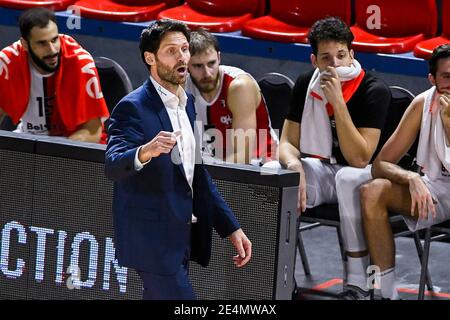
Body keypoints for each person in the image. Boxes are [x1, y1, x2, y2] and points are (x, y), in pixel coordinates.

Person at [105, 19, 252, 300]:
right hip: (150, 240)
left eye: (184, 49)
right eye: (172, 51)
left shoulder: (188, 103)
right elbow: (113, 165)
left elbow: (196, 175)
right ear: (151, 58)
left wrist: (231, 227)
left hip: (181, 236)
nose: (182, 57)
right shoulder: (133, 107)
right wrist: (144, 152)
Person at [278, 17, 391, 299]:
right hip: (327, 169)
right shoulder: (307, 83)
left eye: (341, 56)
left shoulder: (373, 89)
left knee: (347, 176)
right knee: (275, 175)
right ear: (314, 60)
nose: (335, 65)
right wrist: (294, 166)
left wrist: (338, 103)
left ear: (352, 54)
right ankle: (278, 277)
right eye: (326, 58)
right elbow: (287, 143)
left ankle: (357, 282)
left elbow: (359, 157)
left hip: (370, 176)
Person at [360, 44, 450, 300]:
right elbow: (380, 165)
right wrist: (411, 177)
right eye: (447, 77)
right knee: (372, 191)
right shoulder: (423, 103)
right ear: (432, 80)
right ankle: (386, 293)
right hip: (437, 189)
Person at [0, 8, 109, 143]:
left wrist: (49, 158)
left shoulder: (81, 64)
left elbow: (93, 132)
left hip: (71, 145)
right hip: (27, 139)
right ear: (25, 44)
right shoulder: (7, 62)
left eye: (54, 40)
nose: (52, 50)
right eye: (42, 43)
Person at [185, 29, 278, 165]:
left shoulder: (239, 86)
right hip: (213, 162)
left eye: (211, 63)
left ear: (219, 58)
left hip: (259, 164)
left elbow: (242, 156)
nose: (207, 73)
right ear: (186, 65)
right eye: (198, 66)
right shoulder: (182, 88)